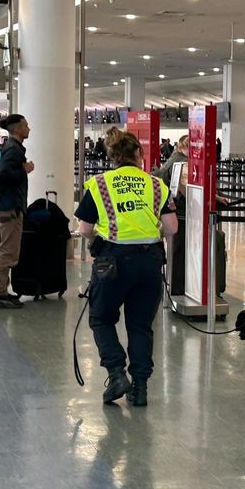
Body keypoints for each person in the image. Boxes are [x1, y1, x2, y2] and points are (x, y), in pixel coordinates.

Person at [76, 127, 178, 407]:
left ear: (113, 156)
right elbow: (171, 227)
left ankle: (117, 373)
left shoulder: (99, 184)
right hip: (149, 263)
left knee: (101, 318)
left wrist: (100, 234)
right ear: (138, 154)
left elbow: (84, 229)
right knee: (141, 325)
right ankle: (141, 388)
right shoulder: (156, 184)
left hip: (112, 263)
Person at [0, 114, 34, 309]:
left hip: (4, 207)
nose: (29, 129)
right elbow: (3, 175)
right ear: (17, 129)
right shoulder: (13, 150)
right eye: (26, 126)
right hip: (10, 208)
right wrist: (24, 170)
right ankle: (0, 293)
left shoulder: (10, 147)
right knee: (8, 252)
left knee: (1, 249)